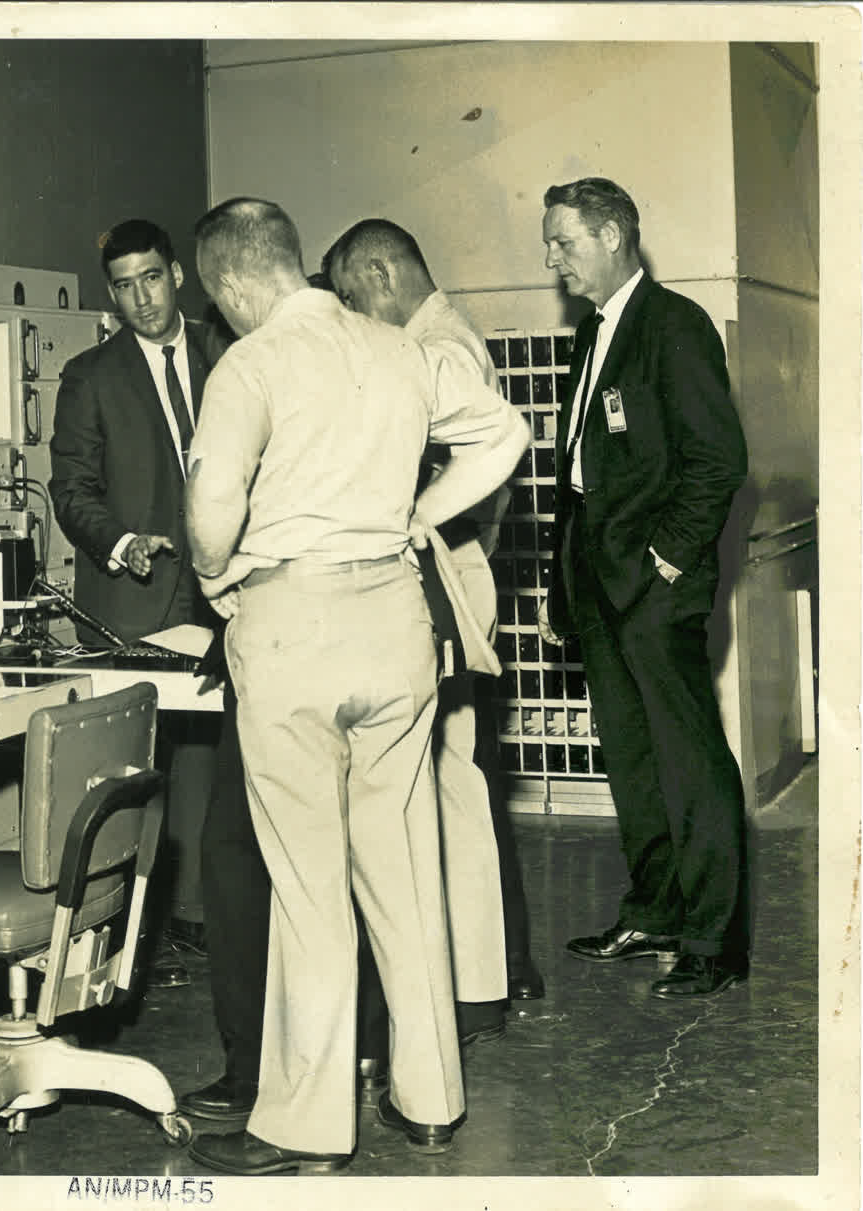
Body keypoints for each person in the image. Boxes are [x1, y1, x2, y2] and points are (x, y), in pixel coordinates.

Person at [183, 198, 528, 1175]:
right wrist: (421, 515)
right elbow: (504, 434)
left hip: (292, 626)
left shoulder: (246, 366)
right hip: (395, 627)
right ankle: (431, 1099)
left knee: (308, 883)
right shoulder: (396, 348)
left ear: (231, 284)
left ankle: (307, 1121)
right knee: (408, 864)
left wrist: (220, 578)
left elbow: (212, 515)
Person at [328, 217, 546, 1038]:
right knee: (458, 783)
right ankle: (483, 979)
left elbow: (473, 449)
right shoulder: (445, 331)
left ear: (381, 276)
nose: (353, 314)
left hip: (443, 576)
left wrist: (413, 516)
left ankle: (474, 984)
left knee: (445, 788)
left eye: (353, 297)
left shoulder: (435, 347)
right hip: (455, 571)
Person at [539, 178, 749, 997]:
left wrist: (667, 557)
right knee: (631, 756)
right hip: (599, 579)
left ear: (613, 236)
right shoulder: (594, 333)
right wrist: (568, 586)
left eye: (564, 242)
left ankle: (712, 941)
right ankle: (656, 908)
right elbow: (579, 471)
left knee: (688, 759)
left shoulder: (675, 326)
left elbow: (718, 461)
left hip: (655, 579)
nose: (551, 259)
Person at [48, 218, 229, 988]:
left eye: (151, 278)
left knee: (213, 763)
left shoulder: (229, 354)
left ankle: (200, 916)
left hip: (225, 590)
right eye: (123, 286)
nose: (140, 298)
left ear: (178, 274)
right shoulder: (90, 376)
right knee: (129, 768)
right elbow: (72, 489)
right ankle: (115, 935)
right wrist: (120, 542)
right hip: (136, 593)